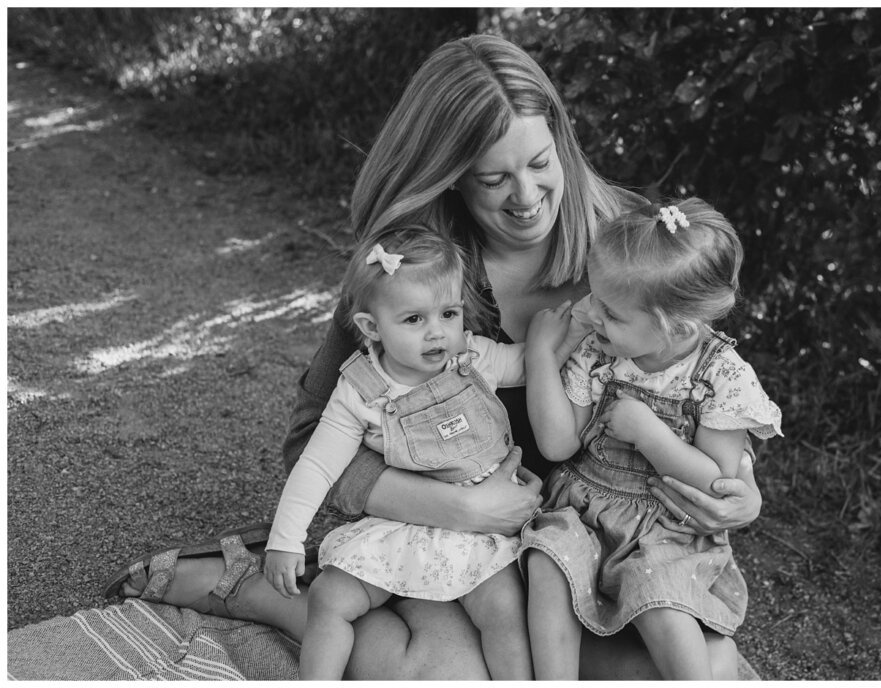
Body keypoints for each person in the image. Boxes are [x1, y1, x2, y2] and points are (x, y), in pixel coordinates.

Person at [106, 34, 764, 679]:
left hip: (589, 534)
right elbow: (311, 440)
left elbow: (694, 372)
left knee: (708, 663)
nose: (527, 197)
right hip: (456, 531)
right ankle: (268, 590)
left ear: (562, 142)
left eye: (540, 163)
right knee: (445, 674)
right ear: (451, 179)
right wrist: (462, 511)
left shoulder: (630, 248)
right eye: (493, 179)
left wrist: (739, 487)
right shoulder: (411, 277)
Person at [521, 197, 783, 679]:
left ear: (676, 327)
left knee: (659, 591)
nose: (592, 315)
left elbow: (717, 481)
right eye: (594, 298)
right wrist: (540, 355)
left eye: (612, 313)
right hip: (583, 511)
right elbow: (558, 445)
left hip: (668, 530)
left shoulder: (722, 378)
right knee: (547, 560)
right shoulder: (599, 354)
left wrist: (647, 432)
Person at [263, 226, 531, 679]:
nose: (438, 334)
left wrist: (572, 332)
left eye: (449, 313)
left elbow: (529, 363)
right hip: (404, 526)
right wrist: (285, 539)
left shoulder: (472, 359)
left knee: (505, 608)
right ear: (372, 328)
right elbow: (317, 464)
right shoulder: (362, 389)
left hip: (484, 535)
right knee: (330, 596)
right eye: (414, 320)